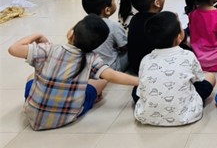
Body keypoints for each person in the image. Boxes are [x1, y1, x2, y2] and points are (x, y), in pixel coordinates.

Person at [8, 15, 139, 130]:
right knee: (102, 79)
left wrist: (37, 35)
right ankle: (93, 97)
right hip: (67, 117)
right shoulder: (92, 59)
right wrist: (140, 81)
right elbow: (111, 76)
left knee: (31, 76)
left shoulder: (48, 49)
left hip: (33, 114)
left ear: (71, 34)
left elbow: (13, 49)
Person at [133, 11, 216, 126]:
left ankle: (153, 108)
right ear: (179, 37)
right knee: (210, 77)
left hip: (147, 117)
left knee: (136, 88)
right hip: (186, 115)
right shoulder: (188, 55)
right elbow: (198, 79)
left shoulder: (145, 59)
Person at [81, 0, 128, 72]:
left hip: (92, 67)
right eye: (114, 0)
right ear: (107, 10)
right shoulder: (114, 26)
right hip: (111, 67)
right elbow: (124, 47)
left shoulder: (83, 24)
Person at [127, 0, 165, 75]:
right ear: (157, 3)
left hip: (137, 67)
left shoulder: (134, 19)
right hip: (156, 68)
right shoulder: (161, 21)